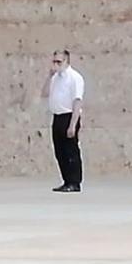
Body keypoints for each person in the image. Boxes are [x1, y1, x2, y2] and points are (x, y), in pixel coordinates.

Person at [42, 49, 84, 193]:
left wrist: (73, 124)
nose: (56, 65)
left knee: (70, 151)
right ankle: (66, 180)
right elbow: (45, 93)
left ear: (67, 61)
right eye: (54, 61)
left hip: (69, 116)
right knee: (59, 151)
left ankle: (75, 182)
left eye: (59, 62)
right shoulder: (55, 78)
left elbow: (77, 101)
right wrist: (49, 77)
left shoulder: (74, 78)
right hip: (57, 116)